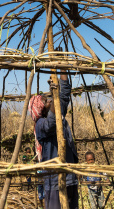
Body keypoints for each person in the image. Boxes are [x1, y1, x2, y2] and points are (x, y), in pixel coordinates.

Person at [28, 73, 79, 209]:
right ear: (40, 107)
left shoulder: (58, 116)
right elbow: (51, 123)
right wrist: (54, 94)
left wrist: (62, 70)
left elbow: (64, 95)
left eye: (50, 99)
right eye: (46, 101)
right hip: (55, 181)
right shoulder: (40, 125)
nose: (50, 101)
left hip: (70, 178)